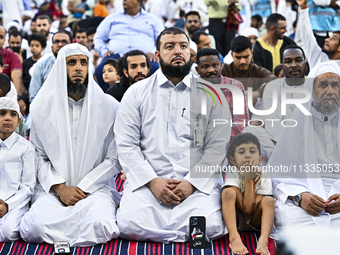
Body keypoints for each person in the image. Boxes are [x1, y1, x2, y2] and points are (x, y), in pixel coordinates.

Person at [115, 27, 231, 242]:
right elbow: (126, 144)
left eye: (183, 46)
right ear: (157, 55)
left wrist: (191, 183)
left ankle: (166, 235)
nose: (178, 51)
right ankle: (181, 236)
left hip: (196, 184)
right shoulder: (136, 93)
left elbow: (218, 146)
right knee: (130, 223)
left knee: (211, 226)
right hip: (150, 182)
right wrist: (152, 182)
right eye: (170, 46)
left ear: (190, 54)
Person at [20, 43, 121, 246]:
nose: (78, 68)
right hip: (54, 190)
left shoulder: (109, 106)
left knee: (100, 225)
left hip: (95, 189)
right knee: (36, 226)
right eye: (71, 62)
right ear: (60, 68)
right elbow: (38, 156)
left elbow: (114, 158)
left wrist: (83, 188)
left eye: (83, 63)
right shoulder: (41, 107)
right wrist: (60, 188)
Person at [270, 61, 340, 238]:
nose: (330, 91)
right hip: (305, 201)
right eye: (323, 85)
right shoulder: (297, 122)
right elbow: (277, 177)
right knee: (293, 226)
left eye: (335, 85)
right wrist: (300, 197)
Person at [222, 133, 274, 255]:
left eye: (252, 151)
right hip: (237, 218)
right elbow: (245, 210)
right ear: (233, 160)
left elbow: (250, 210)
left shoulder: (264, 173)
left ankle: (263, 240)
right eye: (241, 152)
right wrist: (249, 181)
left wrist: (251, 181)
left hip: (255, 219)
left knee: (269, 201)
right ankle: (234, 237)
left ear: (260, 159)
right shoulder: (232, 171)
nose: (247, 155)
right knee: (228, 192)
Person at [94, 0, 164, 91]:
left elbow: (163, 39)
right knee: (101, 69)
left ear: (138, 1)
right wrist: (104, 51)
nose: (124, 1)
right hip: (116, 56)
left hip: (144, 57)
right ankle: (108, 97)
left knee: (156, 70)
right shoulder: (112, 18)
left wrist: (153, 52)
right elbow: (98, 37)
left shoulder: (153, 20)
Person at [0, 97, 36, 242]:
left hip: (15, 203)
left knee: (8, 232)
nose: (8, 118)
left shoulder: (26, 148)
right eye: (2, 113)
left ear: (19, 121)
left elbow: (28, 186)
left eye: (13, 114)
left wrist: (8, 205)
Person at [255, 45, 309, 141]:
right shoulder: (272, 87)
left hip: (309, 142)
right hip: (279, 144)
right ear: (282, 67)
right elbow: (274, 125)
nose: (293, 65)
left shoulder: (314, 87)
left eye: (298, 60)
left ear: (306, 65)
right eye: (288, 62)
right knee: (252, 131)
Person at [195, 48, 249, 140]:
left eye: (215, 65)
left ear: (221, 65)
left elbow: (240, 124)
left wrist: (215, 138)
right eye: (205, 67)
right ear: (197, 70)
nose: (211, 70)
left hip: (229, 144)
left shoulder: (235, 86)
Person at [222, 36, 276, 106]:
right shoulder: (224, 70)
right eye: (238, 57)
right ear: (232, 55)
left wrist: (257, 94)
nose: (242, 61)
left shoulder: (257, 70)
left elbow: (275, 81)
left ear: (251, 53)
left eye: (246, 57)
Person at [29, 30, 72, 102]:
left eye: (64, 41)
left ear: (71, 45)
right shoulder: (40, 66)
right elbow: (34, 97)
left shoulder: (80, 66)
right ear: (52, 46)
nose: (60, 44)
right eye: (56, 41)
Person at [296, 0, 340, 69]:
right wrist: (303, 9)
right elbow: (307, 35)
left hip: (335, 26)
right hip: (316, 28)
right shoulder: (318, 59)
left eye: (333, 39)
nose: (326, 40)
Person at [0, 26, 24, 102]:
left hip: (6, 95)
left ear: (4, 40)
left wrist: (18, 98)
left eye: (0, 37)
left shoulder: (12, 55)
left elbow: (17, 76)